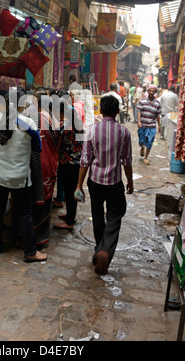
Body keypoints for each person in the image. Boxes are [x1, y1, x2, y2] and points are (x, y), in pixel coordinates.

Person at [0, 88, 47, 262]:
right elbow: (37, 149)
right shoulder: (28, 123)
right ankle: (30, 251)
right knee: (24, 213)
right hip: (19, 177)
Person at [75, 95, 133, 275]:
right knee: (116, 214)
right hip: (114, 182)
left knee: (97, 215)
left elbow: (85, 160)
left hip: (95, 181)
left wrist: (79, 185)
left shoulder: (92, 130)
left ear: (100, 110)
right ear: (117, 112)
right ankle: (105, 250)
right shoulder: (124, 132)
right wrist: (130, 182)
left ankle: (98, 250)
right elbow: (127, 161)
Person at [30, 88, 59, 246]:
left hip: (35, 162)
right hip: (49, 162)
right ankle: (42, 236)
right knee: (45, 200)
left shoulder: (32, 118)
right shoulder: (53, 119)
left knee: (32, 198)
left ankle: (29, 234)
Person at [53, 95, 84, 231]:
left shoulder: (62, 126)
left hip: (67, 163)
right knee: (72, 191)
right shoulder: (77, 122)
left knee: (69, 192)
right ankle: (70, 215)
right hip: (77, 161)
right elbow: (81, 142)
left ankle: (70, 221)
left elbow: (56, 144)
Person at [137, 85, 161, 165]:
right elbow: (139, 112)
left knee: (150, 142)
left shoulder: (157, 103)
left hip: (152, 126)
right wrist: (139, 121)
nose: (151, 92)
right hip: (143, 125)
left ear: (155, 93)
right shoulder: (142, 101)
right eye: (150, 91)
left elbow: (158, 115)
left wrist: (159, 125)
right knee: (141, 141)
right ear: (148, 92)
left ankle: (146, 157)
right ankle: (142, 147)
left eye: (153, 91)